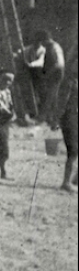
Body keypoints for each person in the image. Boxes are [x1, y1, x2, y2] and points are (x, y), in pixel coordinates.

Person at [56, 57, 78, 193]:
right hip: (70, 118)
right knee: (73, 150)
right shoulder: (69, 82)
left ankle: (74, 179)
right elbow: (62, 103)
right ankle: (66, 182)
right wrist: (57, 119)